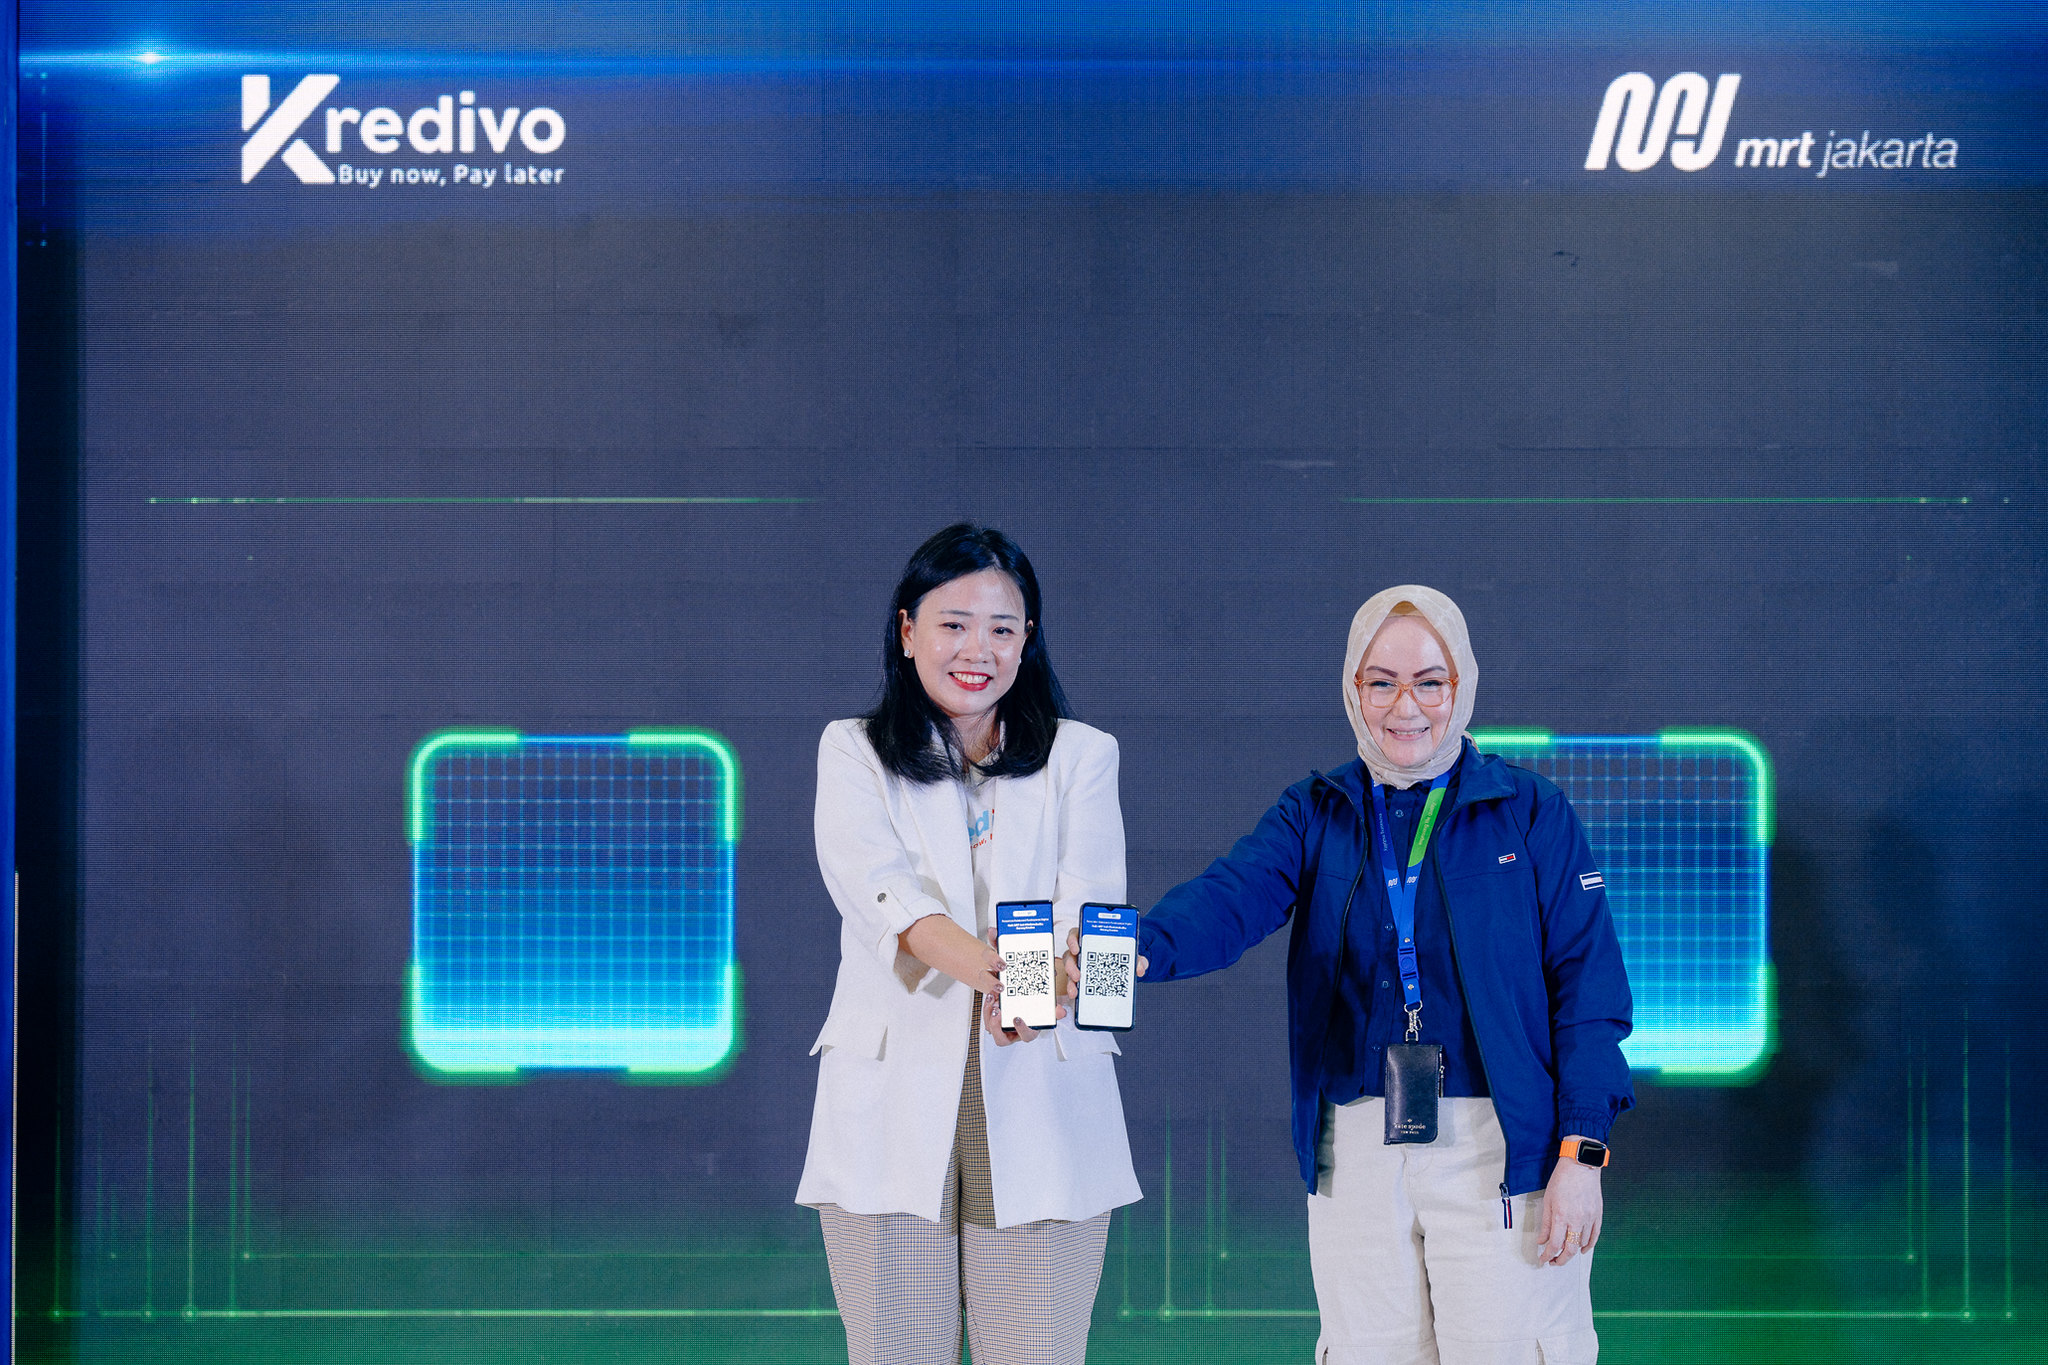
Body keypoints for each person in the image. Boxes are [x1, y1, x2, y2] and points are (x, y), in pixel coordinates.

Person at [1087, 585, 1632, 1365]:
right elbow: (1228, 899)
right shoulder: (1317, 810)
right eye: (1382, 682)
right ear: (1353, 688)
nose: (1405, 706)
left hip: (1504, 1149)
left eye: (1429, 682)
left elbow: (1588, 992)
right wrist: (1128, 951)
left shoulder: (1529, 810)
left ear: (1462, 683)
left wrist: (1581, 1152)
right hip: (1355, 1151)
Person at [796, 524, 1140, 1365]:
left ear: (1028, 639)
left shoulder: (1083, 755)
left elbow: (1091, 909)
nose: (977, 649)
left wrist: (1036, 993)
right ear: (907, 630)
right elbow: (885, 898)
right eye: (953, 624)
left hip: (1042, 1088)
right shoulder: (853, 750)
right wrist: (1002, 977)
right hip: (890, 1101)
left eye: (1001, 627)